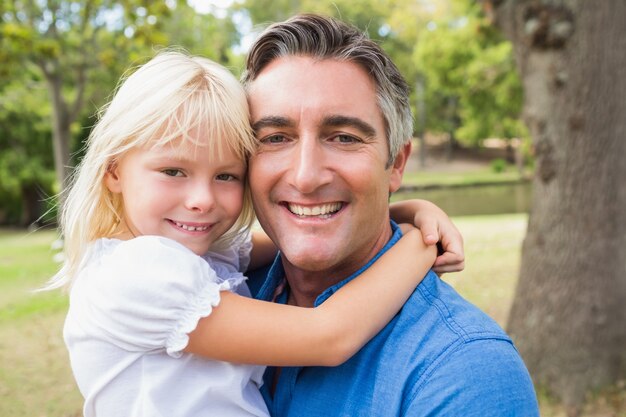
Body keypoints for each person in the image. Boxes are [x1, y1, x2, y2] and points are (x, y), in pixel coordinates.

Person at [46, 50, 464, 417]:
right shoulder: (136, 274)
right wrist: (418, 246)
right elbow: (330, 335)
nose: (201, 200)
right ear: (114, 170)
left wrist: (405, 209)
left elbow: (303, 229)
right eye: (173, 171)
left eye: (226, 175)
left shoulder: (195, 249)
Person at [242, 14, 540, 416]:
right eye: (275, 138)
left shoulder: (464, 372)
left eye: (344, 137)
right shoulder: (214, 284)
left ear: (396, 163)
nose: (306, 176)